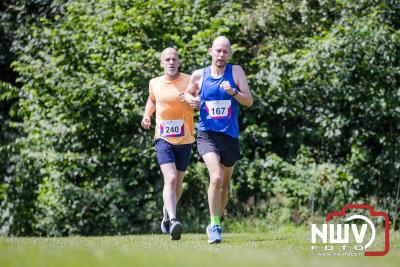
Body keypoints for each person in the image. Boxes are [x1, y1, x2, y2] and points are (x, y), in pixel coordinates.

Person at [183, 36, 253, 244]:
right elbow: (186, 95)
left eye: (225, 51)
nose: (221, 55)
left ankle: (216, 221)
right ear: (210, 51)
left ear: (229, 53)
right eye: (218, 51)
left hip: (229, 136)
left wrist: (234, 92)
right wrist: (191, 100)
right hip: (207, 135)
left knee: (225, 184)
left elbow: (248, 101)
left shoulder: (236, 71)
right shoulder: (199, 75)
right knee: (216, 178)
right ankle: (214, 226)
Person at [141, 47, 194, 241]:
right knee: (170, 178)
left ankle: (166, 211)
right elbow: (152, 100)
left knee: (178, 184)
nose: (171, 62)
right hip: (163, 138)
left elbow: (200, 100)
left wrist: (194, 101)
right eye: (167, 59)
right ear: (162, 63)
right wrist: (147, 115)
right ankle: (173, 220)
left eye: (174, 59)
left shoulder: (190, 80)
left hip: (185, 138)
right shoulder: (154, 82)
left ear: (179, 62)